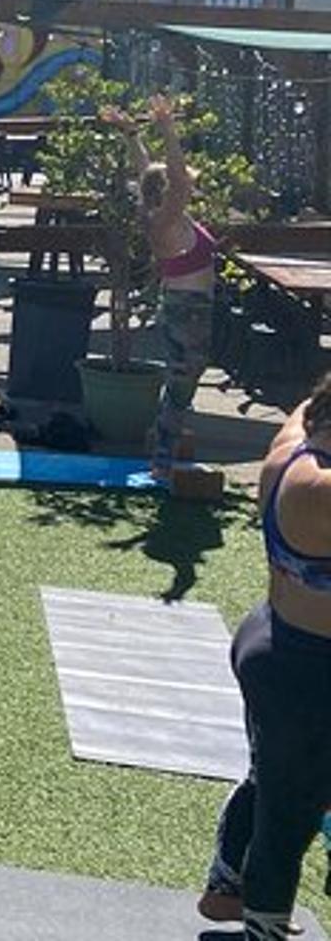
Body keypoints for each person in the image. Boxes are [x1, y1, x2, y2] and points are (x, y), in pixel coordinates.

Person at [199, 375, 331, 939]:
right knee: (289, 808)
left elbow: (306, 403)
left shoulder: (292, 445)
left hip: (273, 643)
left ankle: (227, 888)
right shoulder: (322, 489)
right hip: (309, 670)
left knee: (271, 778)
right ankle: (262, 926)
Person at [104, 96, 216, 484]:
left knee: (183, 382)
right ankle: (162, 460)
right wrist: (168, 128)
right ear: (166, 192)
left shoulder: (163, 214)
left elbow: (145, 169)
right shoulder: (165, 220)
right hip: (188, 310)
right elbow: (178, 178)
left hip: (186, 307)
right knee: (182, 385)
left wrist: (132, 134)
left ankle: (164, 453)